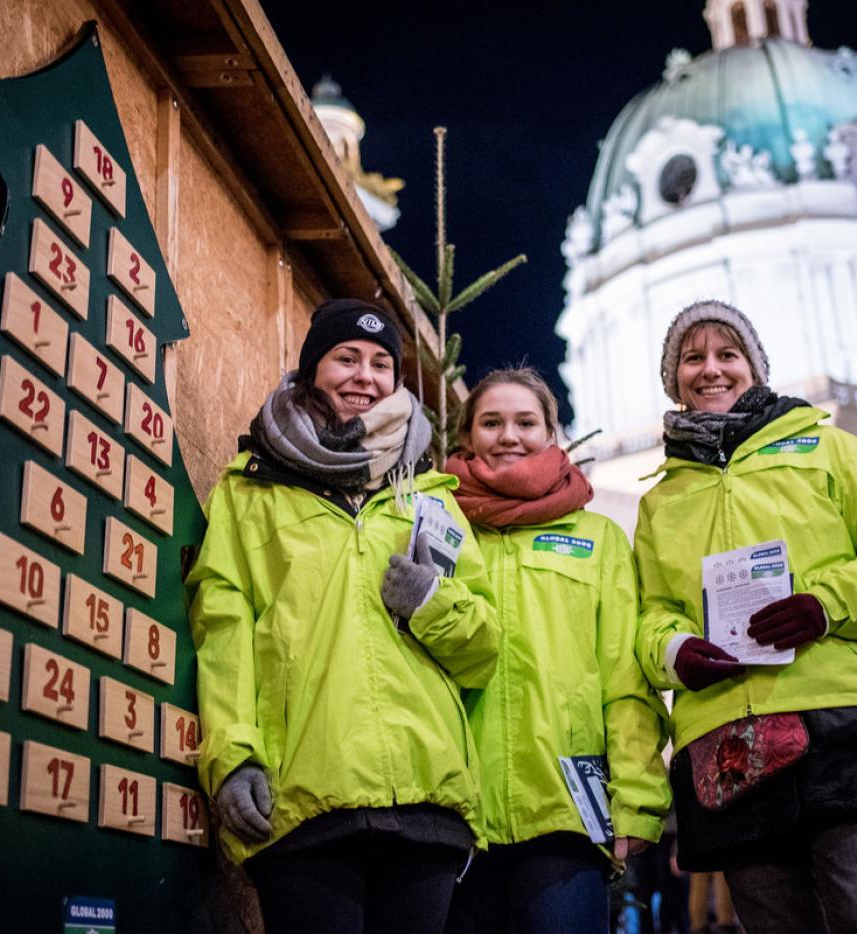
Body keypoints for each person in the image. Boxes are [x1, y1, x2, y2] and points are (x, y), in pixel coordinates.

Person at [187, 299, 500, 934]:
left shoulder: (428, 495)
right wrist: (233, 756)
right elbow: (224, 632)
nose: (365, 376)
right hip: (304, 799)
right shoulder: (250, 492)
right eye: (346, 358)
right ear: (311, 371)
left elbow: (484, 647)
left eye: (382, 364)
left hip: (425, 798)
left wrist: (430, 603)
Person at [632, 300, 857, 933]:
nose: (710, 370)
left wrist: (825, 605)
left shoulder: (832, 449)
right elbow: (649, 613)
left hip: (841, 724)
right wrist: (674, 651)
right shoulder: (661, 498)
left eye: (727, 354)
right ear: (674, 379)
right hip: (728, 744)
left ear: (755, 367)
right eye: (693, 358)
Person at [442, 368, 670, 934]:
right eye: (491, 423)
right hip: (455, 814)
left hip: (568, 814)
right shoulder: (438, 524)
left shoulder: (598, 538)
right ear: (467, 436)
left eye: (526, 422)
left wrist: (637, 797)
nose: (509, 436)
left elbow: (625, 677)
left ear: (553, 433)